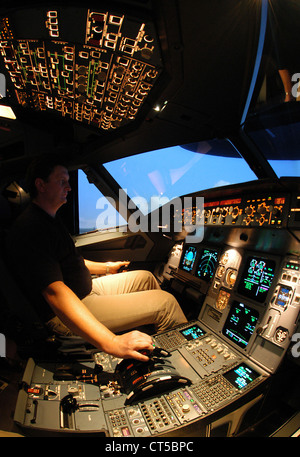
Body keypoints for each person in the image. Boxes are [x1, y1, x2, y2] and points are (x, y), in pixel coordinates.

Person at [7, 154, 187, 361]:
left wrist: (108, 268)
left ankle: (150, 339)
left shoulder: (49, 219)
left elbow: (68, 262)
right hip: (66, 312)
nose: (69, 187)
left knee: (146, 277)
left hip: (85, 291)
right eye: (62, 181)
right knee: (166, 303)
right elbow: (55, 292)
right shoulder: (31, 229)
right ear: (41, 185)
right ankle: (185, 363)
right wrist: (112, 342)